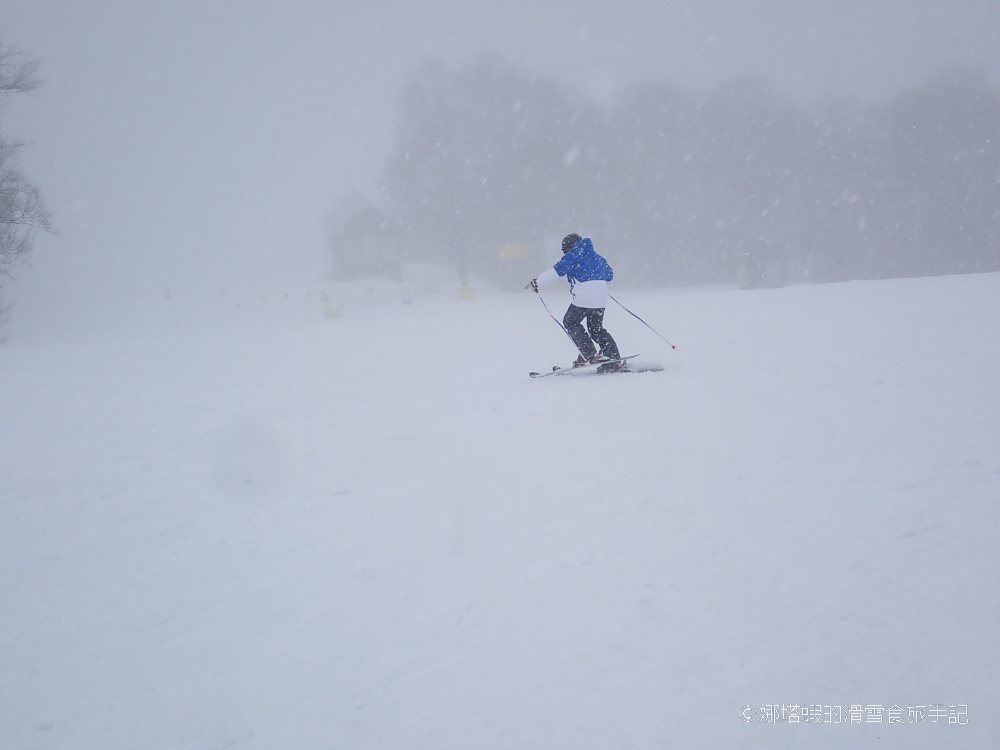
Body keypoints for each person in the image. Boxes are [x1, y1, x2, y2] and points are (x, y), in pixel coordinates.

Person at [526, 233, 624, 373]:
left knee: (570, 322)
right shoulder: (597, 257)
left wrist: (537, 282)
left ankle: (589, 355)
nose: (565, 253)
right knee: (596, 329)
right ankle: (613, 359)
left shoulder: (573, 255)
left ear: (569, 247)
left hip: (585, 296)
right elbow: (610, 275)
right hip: (601, 297)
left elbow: (556, 271)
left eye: (565, 250)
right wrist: (598, 283)